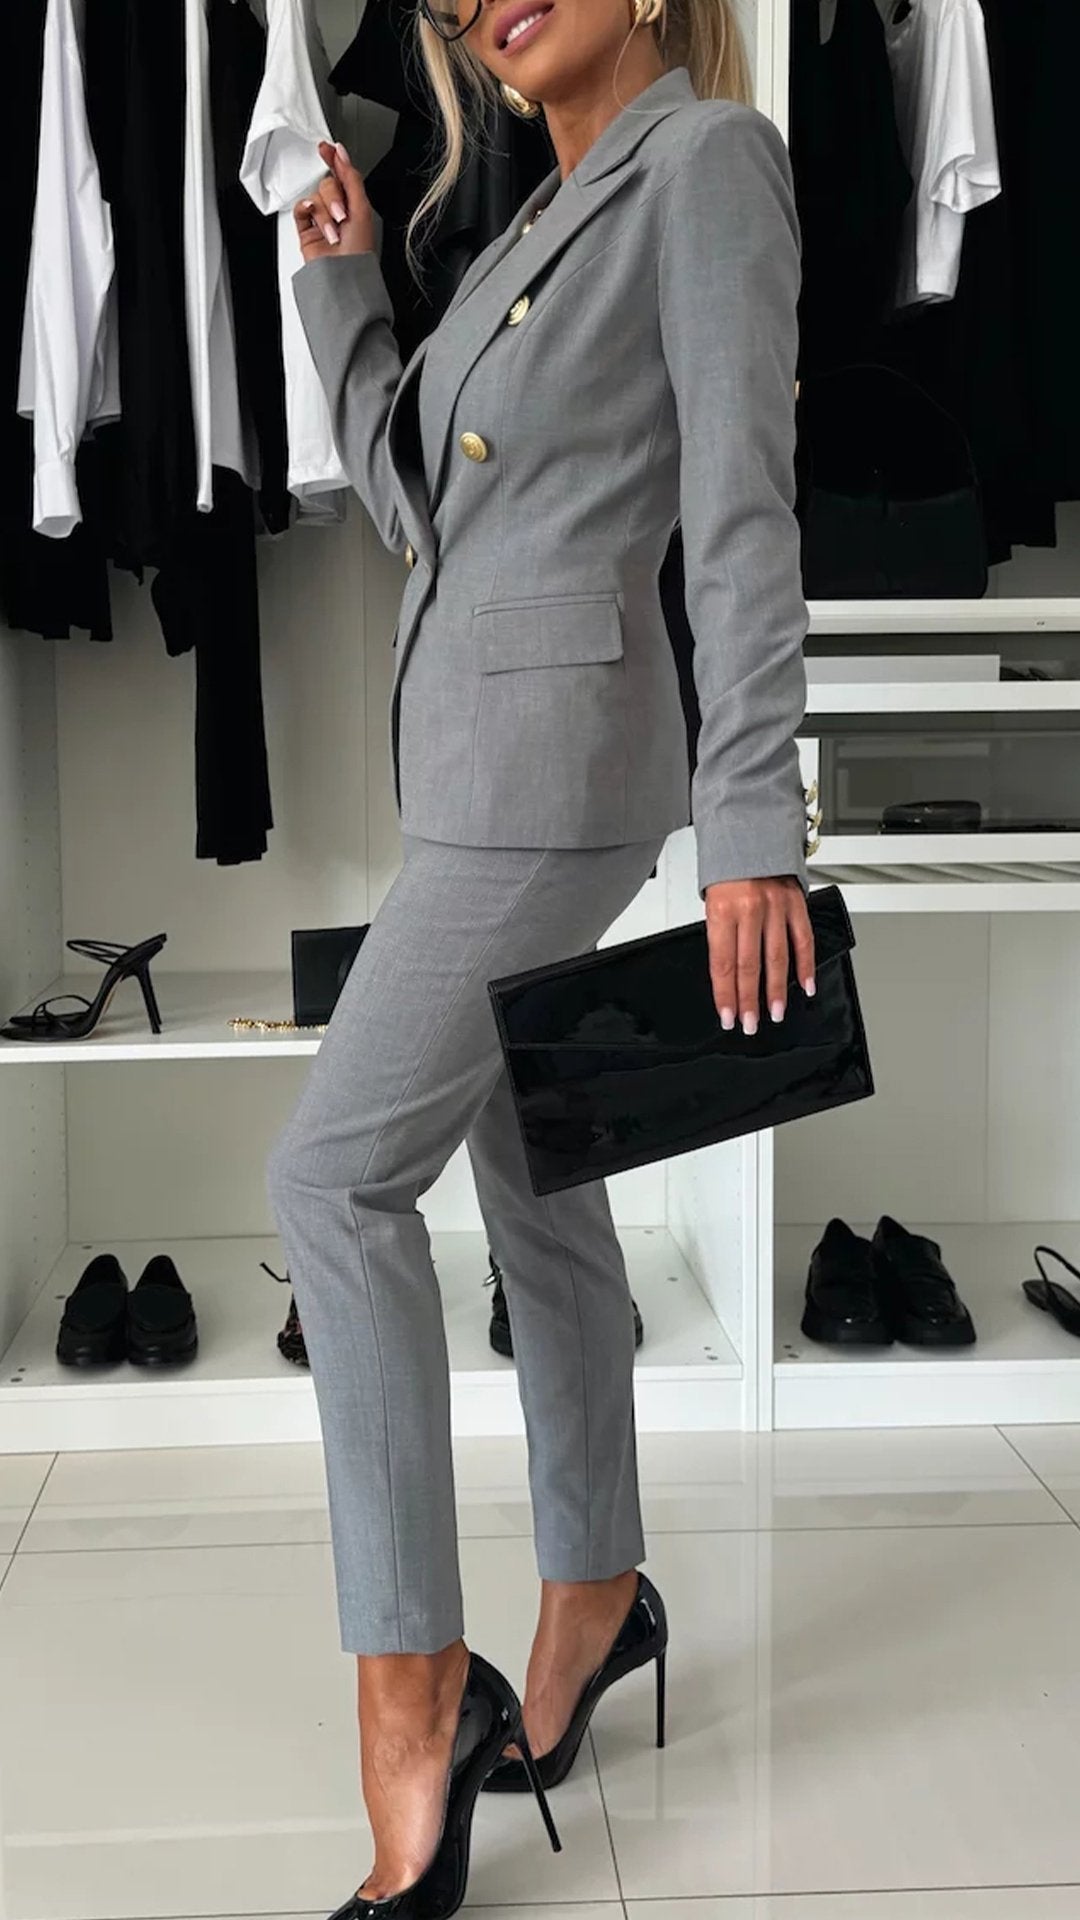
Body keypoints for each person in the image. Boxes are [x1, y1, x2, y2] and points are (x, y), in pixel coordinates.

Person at [267, 1, 816, 1914]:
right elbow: (420, 509)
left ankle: (414, 1690)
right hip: (478, 761)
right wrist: (344, 289)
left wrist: (754, 824)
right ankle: (596, 1585)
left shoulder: (709, 164)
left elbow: (744, 504)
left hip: (558, 769)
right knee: (534, 1180)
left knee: (332, 1181)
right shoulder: (520, 223)